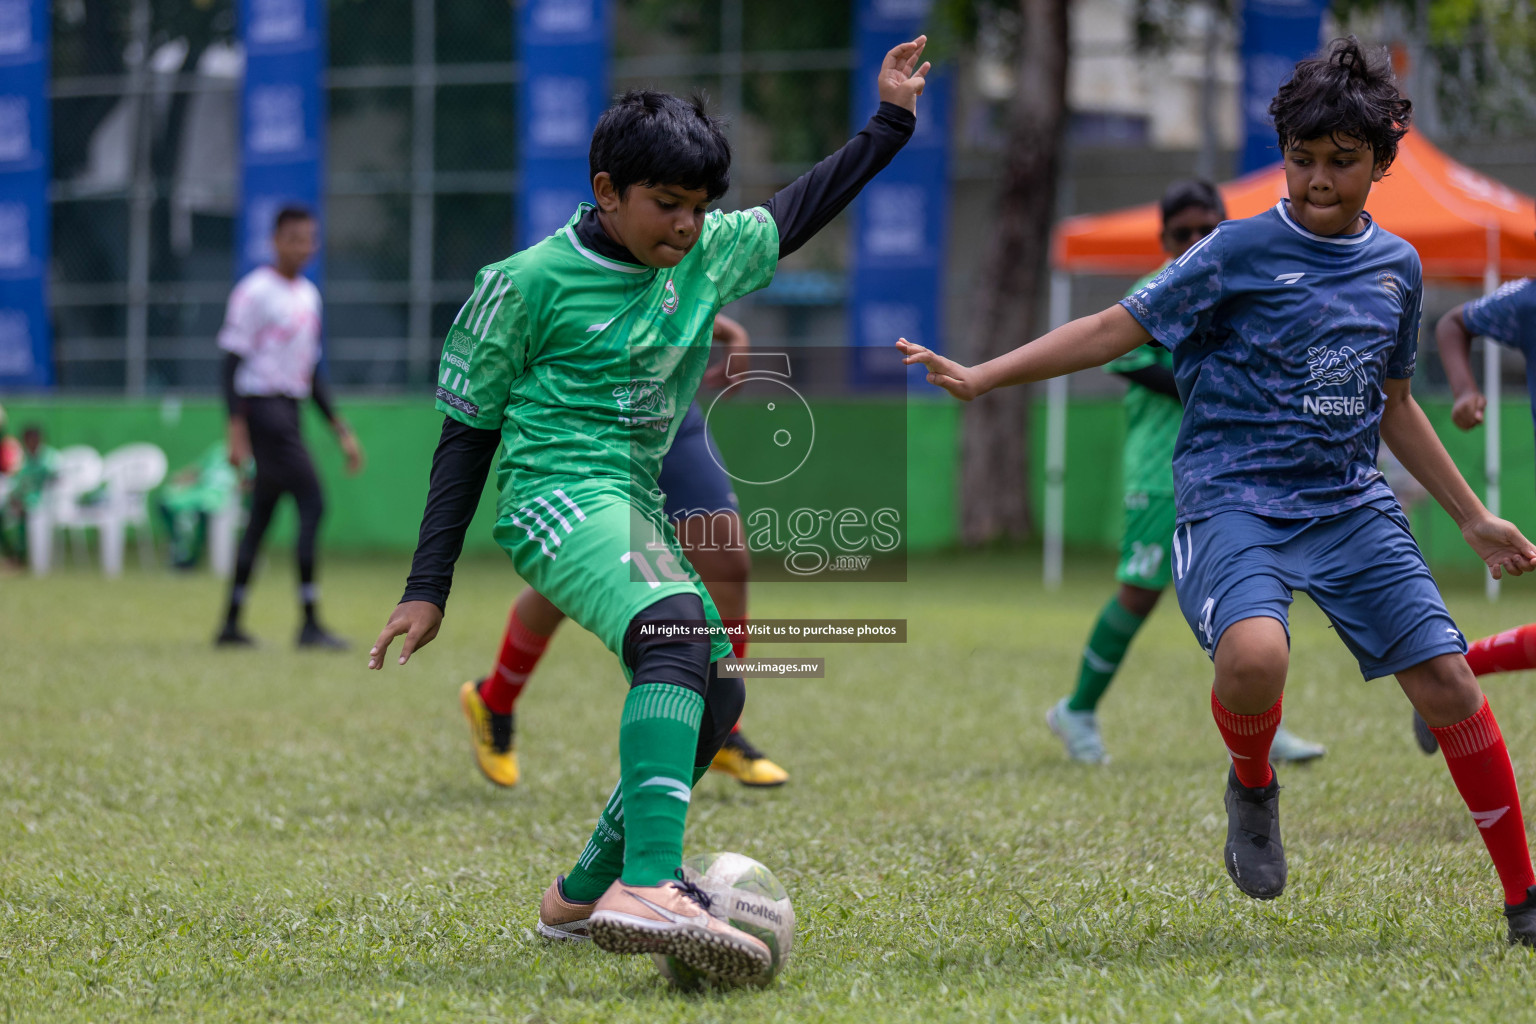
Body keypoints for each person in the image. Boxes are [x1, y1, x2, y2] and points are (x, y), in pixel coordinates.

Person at [899, 38, 1536, 945]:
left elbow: (1394, 405)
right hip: (1230, 496)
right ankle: (1252, 784)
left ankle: (1523, 900)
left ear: (1383, 162)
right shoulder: (1232, 250)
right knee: (1254, 660)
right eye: (1303, 159)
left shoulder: (1398, 268)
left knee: (1447, 682)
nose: (1319, 179)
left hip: (1349, 502)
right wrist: (986, 375)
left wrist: (1473, 516)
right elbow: (1112, 326)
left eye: (1343, 162)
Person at [368, 40, 930, 980]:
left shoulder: (702, 253)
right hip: (555, 492)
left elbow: (797, 210)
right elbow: (465, 437)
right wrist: (429, 585)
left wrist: (891, 122)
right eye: (665, 205)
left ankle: (577, 898)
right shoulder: (523, 284)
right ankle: (652, 881)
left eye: (699, 207)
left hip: (631, 494)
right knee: (673, 631)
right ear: (607, 189)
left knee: (719, 690)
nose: (685, 225)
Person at [1048, 179, 1326, 765]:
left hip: (1232, 474)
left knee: (1253, 600)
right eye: (1183, 233)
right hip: (1160, 473)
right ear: (1163, 239)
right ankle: (1077, 709)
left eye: (1208, 229)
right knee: (1139, 593)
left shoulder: (1242, 290)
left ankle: (1263, 728)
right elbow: (1132, 361)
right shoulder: (1151, 292)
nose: (1197, 241)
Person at [459, 312, 790, 790]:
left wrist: (730, 330)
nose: (684, 231)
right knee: (579, 574)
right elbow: (602, 287)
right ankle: (495, 700)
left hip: (670, 414)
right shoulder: (561, 264)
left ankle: (721, 730)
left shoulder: (681, 244)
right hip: (590, 424)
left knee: (727, 561)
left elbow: (672, 291)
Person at [215, 206, 363, 649]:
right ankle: (309, 622)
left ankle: (230, 623)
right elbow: (229, 365)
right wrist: (236, 431)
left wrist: (340, 427)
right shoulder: (254, 292)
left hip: (290, 410)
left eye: (310, 239)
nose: (304, 247)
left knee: (261, 516)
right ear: (275, 240)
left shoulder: (308, 296)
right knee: (313, 502)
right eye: (295, 238)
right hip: (263, 410)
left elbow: (311, 372)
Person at [1409, 252, 1536, 752]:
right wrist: (1464, 390)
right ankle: (1454, 675)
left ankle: (1459, 670)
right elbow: (1455, 324)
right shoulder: (1529, 300)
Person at [158, 443, 240, 570]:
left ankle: (190, 556)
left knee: (199, 515)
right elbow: (197, 470)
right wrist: (181, 479)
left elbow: (250, 482)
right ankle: (180, 549)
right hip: (198, 494)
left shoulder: (252, 456)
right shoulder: (218, 450)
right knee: (166, 503)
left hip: (221, 500)